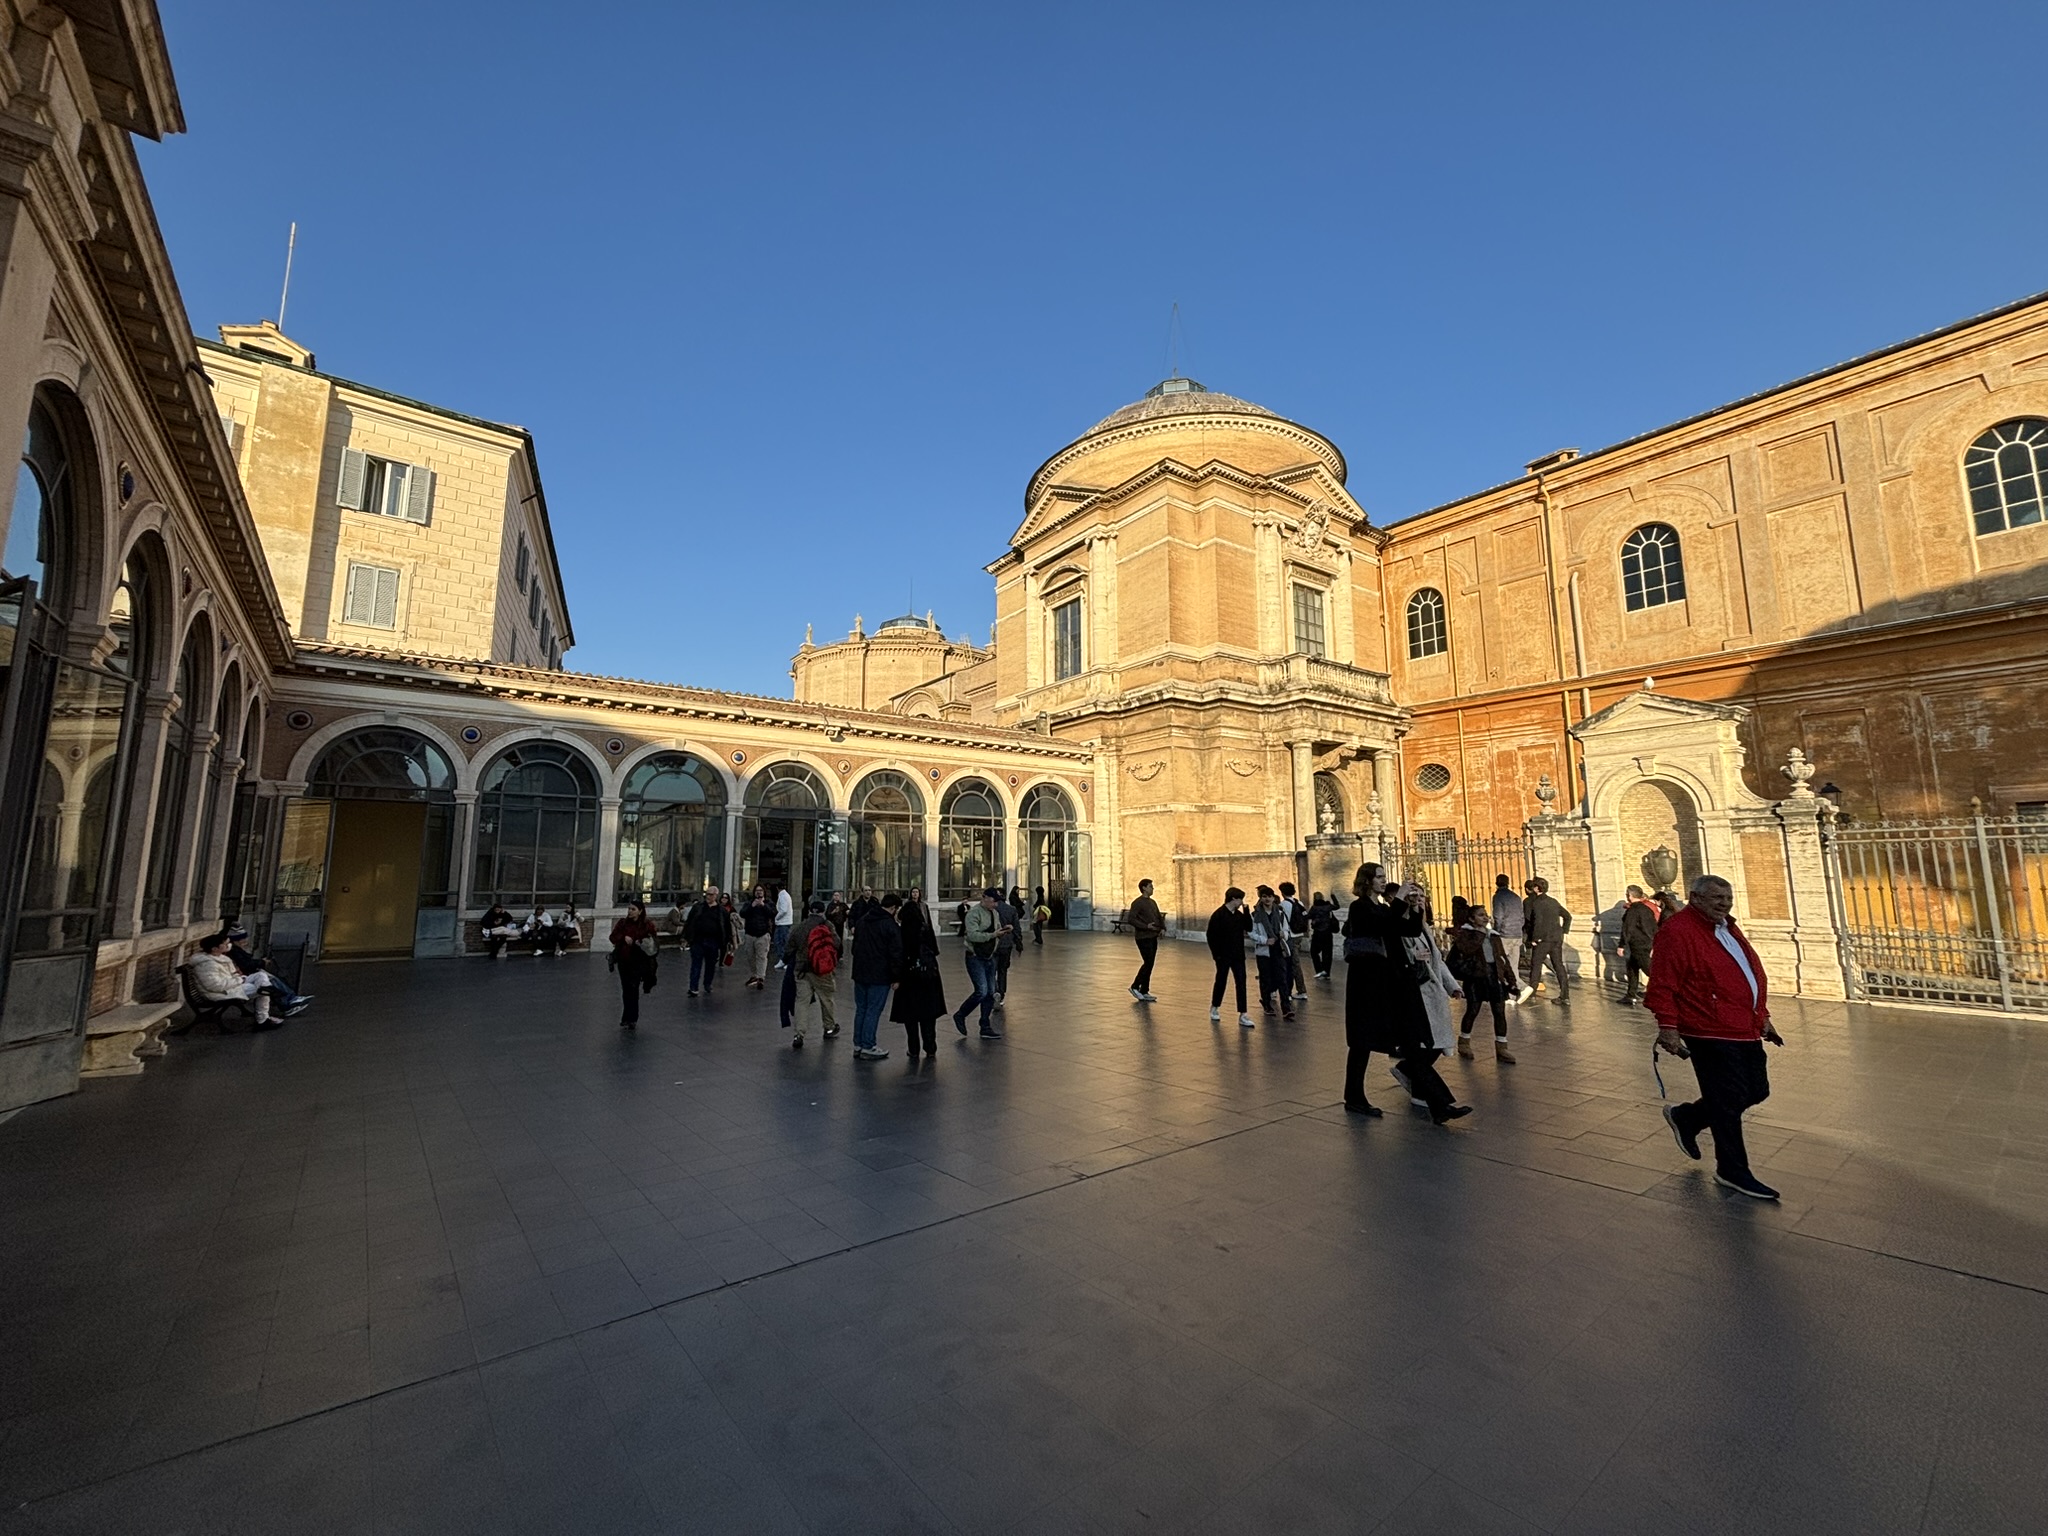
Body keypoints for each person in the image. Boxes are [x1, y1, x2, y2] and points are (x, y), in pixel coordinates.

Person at [1648, 874, 1785, 1200]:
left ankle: (1687, 1117)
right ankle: (1732, 1170)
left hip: (1743, 1026)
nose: (1724, 903)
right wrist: (1668, 1026)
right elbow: (1662, 982)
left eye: (1728, 898)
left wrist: (1762, 1016)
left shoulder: (1727, 927)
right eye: (1716, 898)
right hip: (1707, 1028)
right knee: (1726, 1100)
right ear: (1695, 898)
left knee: (1756, 1090)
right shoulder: (1678, 931)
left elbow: (1747, 972)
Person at [1339, 864, 1468, 1122]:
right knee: (1362, 1045)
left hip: (1389, 986)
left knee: (1410, 1046)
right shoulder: (1359, 908)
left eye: (1384, 877)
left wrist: (1415, 907)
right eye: (1379, 877)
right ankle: (1354, 1098)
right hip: (1367, 988)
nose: (1383, 881)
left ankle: (1440, 1105)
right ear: (1367, 881)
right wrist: (1399, 900)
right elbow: (1383, 926)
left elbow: (1408, 929)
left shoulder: (1382, 908)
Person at [1393, 891, 1468, 1112]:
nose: (1419, 901)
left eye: (1422, 897)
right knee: (1426, 1046)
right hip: (1418, 993)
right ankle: (1440, 1103)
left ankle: (1416, 1088)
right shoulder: (1403, 929)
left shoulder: (1424, 927)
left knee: (1435, 1045)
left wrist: (1452, 986)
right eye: (1414, 897)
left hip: (1434, 992)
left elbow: (1437, 960)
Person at [188, 932, 305, 1028]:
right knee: (260, 990)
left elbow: (231, 974)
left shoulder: (219, 957)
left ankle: (267, 990)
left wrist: (239, 978)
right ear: (215, 949)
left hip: (232, 985)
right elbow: (215, 986)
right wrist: (239, 980)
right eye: (225, 944)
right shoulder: (207, 964)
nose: (228, 945)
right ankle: (262, 1020)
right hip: (221, 993)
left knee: (260, 975)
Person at [1447, 903, 1518, 1063]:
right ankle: (1464, 1042)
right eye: (1480, 915)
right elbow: (1467, 950)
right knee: (1473, 1010)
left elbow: (1502, 958)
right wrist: (1479, 934)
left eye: (1486, 915)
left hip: (1494, 975)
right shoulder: (1466, 934)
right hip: (1476, 976)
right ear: (1471, 919)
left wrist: (1511, 980)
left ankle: (1502, 1047)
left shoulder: (1493, 935)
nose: (1485, 918)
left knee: (1499, 1011)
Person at [892, 896, 951, 1057]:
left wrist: (896, 977)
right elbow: (935, 951)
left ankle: (913, 1048)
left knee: (910, 1015)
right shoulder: (926, 929)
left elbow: (899, 955)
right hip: (929, 975)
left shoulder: (902, 931)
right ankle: (930, 1047)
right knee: (928, 1014)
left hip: (909, 976)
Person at [849, 892, 904, 1060]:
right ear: (893, 908)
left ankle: (858, 1044)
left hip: (860, 972)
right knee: (873, 1010)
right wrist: (896, 977)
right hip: (880, 974)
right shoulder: (890, 926)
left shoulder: (863, 920)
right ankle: (868, 1045)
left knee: (861, 1009)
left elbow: (854, 948)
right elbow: (896, 953)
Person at [224, 926, 313, 1012]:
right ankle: (287, 1001)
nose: (245, 941)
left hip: (244, 975)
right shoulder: (234, 951)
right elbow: (246, 965)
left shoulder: (236, 950)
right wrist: (261, 962)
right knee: (269, 982)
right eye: (242, 939)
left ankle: (289, 999)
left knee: (269, 981)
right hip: (244, 976)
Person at [954, 889, 1004, 1037]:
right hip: (975, 957)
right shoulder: (973, 913)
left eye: (997, 902)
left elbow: (997, 930)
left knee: (990, 992)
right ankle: (961, 1014)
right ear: (984, 898)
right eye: (993, 901)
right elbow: (972, 935)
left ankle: (985, 1026)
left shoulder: (994, 913)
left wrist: (1003, 932)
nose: (995, 904)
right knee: (981, 991)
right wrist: (994, 935)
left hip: (989, 956)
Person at [795, 898, 841, 1046]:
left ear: (809, 911)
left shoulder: (801, 926)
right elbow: (837, 943)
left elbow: (790, 946)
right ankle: (829, 1027)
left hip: (802, 969)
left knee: (802, 1002)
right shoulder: (827, 925)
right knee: (826, 999)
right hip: (822, 969)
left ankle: (799, 1034)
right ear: (823, 912)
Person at [1206, 887, 1253, 1027]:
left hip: (1238, 955)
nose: (1241, 902)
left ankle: (1243, 1013)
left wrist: (1246, 911)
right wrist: (1217, 955)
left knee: (1241, 982)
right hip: (1223, 955)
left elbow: (1249, 927)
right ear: (1233, 899)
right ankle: (1215, 1006)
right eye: (1240, 899)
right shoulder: (1218, 915)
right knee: (1221, 981)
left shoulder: (1239, 915)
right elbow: (1211, 936)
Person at [1522, 876, 1572, 1007]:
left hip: (1542, 940)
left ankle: (1532, 993)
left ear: (1536, 888)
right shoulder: (1553, 902)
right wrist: (1563, 931)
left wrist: (1533, 939)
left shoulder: (1535, 903)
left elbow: (1534, 922)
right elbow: (1567, 916)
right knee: (1559, 966)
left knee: (1536, 965)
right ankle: (1565, 996)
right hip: (1556, 938)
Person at [1248, 886, 1295, 1022]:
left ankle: (1286, 1007)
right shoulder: (1255, 915)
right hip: (1264, 951)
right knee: (1266, 978)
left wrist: (1284, 934)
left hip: (1278, 948)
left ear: (1273, 898)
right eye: (1264, 896)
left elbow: (1286, 929)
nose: (1267, 899)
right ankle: (1267, 1003)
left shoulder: (1280, 913)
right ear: (1261, 898)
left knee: (1282, 978)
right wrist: (1264, 940)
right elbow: (1251, 933)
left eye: (1269, 896)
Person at [608, 901, 658, 1029]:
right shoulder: (622, 923)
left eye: (633, 909)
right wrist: (623, 938)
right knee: (626, 989)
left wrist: (638, 941)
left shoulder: (647, 925)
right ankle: (626, 1017)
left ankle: (632, 1018)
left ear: (640, 911)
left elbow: (653, 941)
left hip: (639, 961)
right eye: (629, 909)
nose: (630, 911)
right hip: (624, 960)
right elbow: (613, 937)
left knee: (633, 988)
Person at [1490, 874, 1531, 1003]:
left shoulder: (1498, 897)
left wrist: (1496, 931)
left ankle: (1522, 987)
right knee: (1513, 965)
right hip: (1517, 934)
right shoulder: (1516, 897)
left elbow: (1498, 916)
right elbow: (1522, 917)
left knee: (1502, 965)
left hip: (1504, 935)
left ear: (1497, 883)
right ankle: (1512, 995)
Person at [1618, 884, 1661, 1006]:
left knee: (1650, 971)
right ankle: (1631, 994)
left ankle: (1668, 993)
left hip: (1638, 944)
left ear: (1630, 896)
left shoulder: (1633, 910)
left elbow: (1628, 929)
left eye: (1627, 895)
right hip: (1647, 943)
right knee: (1632, 968)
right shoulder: (1647, 909)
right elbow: (1654, 927)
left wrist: (1621, 945)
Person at [684, 884, 731, 996]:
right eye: (707, 894)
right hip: (698, 940)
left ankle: (707, 984)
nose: (708, 897)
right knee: (696, 964)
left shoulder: (721, 911)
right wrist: (685, 937)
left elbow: (726, 926)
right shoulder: (698, 907)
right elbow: (689, 922)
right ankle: (693, 987)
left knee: (710, 965)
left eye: (710, 895)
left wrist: (726, 942)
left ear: (716, 895)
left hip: (713, 941)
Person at [1127, 878, 1164, 1002]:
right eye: (1150, 886)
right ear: (1144, 888)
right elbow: (1131, 919)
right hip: (1143, 937)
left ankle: (1144, 990)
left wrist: (1162, 928)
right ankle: (1135, 986)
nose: (1152, 889)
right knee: (1148, 962)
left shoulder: (1152, 902)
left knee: (1150, 963)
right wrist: (1145, 926)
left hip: (1152, 936)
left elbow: (1158, 916)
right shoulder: (1137, 903)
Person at [1278, 882, 1311, 1000]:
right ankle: (1296, 990)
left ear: (1282, 892)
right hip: (1299, 934)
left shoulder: (1283, 905)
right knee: (1294, 963)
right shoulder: (1299, 902)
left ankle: (1299, 990)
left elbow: (1282, 922)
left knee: (1293, 964)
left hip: (1290, 936)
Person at [738, 889, 775, 988]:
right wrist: (752, 906)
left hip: (763, 933)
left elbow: (773, 913)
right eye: (757, 890)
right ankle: (755, 974)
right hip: (750, 933)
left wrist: (763, 905)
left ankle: (760, 977)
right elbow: (742, 913)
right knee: (750, 956)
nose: (759, 893)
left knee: (762, 956)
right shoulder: (749, 903)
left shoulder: (768, 903)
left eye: (761, 890)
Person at [992, 890, 1019, 1008]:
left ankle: (994, 991)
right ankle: (1001, 993)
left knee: (991, 970)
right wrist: (1018, 942)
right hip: (1006, 944)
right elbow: (1016, 928)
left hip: (993, 944)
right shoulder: (1011, 909)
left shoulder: (991, 909)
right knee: (1003, 970)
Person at [1307, 892, 1338, 980]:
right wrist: (1333, 896)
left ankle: (1319, 970)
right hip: (1328, 932)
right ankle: (1327, 972)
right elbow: (1337, 906)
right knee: (1327, 953)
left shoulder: (1314, 908)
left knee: (1314, 952)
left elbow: (1308, 916)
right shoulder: (1328, 906)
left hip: (1317, 933)